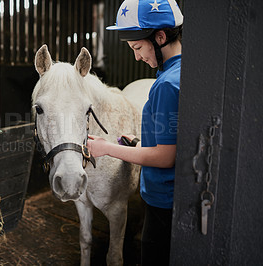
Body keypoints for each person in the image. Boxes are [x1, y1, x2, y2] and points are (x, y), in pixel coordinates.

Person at [87, 0, 184, 265]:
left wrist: (106, 148)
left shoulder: (166, 85)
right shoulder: (179, 73)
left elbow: (166, 157)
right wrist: (140, 143)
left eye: (138, 47)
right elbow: (175, 140)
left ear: (160, 37)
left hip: (162, 200)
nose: (137, 57)